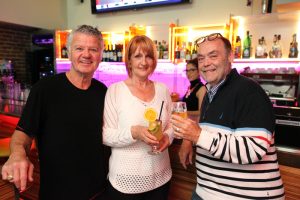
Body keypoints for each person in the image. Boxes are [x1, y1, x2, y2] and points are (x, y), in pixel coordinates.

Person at [171, 33, 285, 200]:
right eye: (201, 58)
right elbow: (213, 131)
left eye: (213, 56)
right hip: (205, 191)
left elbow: (252, 150)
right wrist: (189, 139)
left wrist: (197, 135)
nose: (206, 63)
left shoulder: (249, 91)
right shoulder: (211, 92)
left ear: (230, 56)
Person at [1, 25, 109, 200]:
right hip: (57, 192)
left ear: (100, 55)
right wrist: (17, 154)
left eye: (93, 49)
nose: (86, 54)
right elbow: (22, 134)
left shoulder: (103, 91)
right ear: (68, 52)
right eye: (79, 48)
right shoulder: (44, 89)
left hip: (98, 192)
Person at [103, 35, 173, 200]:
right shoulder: (115, 91)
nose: (144, 62)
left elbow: (171, 127)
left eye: (148, 56)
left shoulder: (163, 90)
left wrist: (167, 138)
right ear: (129, 62)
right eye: (138, 56)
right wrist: (134, 133)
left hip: (162, 178)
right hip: (126, 184)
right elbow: (106, 136)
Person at [182, 58, 206, 122]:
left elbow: (201, 112)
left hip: (195, 126)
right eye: (187, 70)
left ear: (199, 71)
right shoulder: (190, 87)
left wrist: (183, 112)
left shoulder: (201, 89)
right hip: (187, 124)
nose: (188, 73)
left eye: (192, 70)